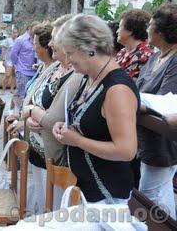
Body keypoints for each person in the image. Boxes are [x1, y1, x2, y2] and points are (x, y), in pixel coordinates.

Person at [53, 14, 139, 204]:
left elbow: (126, 150)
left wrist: (77, 140)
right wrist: (65, 127)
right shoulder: (89, 77)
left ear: (89, 50)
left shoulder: (117, 90)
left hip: (106, 197)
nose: (66, 59)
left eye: (69, 53)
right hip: (84, 190)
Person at [136, 4, 177, 218]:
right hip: (146, 138)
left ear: (160, 31)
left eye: (150, 25)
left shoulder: (175, 60)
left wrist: (134, 103)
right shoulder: (156, 57)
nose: (147, 30)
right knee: (162, 196)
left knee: (148, 199)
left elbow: (164, 101)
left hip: (161, 143)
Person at [116, 9, 154, 80]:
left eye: (120, 27)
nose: (117, 31)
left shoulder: (145, 55)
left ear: (130, 30)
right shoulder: (122, 52)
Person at [11, 21, 40, 111]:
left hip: (34, 72)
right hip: (23, 71)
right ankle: (17, 113)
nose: (36, 33)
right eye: (35, 30)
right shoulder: (20, 40)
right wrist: (18, 66)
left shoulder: (35, 40)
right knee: (21, 94)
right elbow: (13, 55)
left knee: (30, 95)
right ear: (29, 28)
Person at [0, 28, 18, 93]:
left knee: (14, 75)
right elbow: (3, 50)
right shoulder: (7, 40)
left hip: (15, 61)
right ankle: (3, 90)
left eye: (16, 33)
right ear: (11, 33)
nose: (15, 34)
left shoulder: (18, 40)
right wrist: (3, 60)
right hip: (8, 60)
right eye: (14, 33)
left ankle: (12, 89)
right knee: (7, 75)